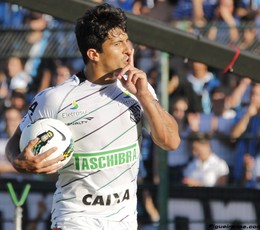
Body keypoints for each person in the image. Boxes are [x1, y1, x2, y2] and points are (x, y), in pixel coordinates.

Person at [5, 3, 180, 230]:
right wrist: (18, 162)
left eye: (127, 41)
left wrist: (145, 96)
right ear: (93, 54)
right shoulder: (55, 98)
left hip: (124, 220)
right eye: (118, 44)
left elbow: (171, 141)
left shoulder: (139, 89)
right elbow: (14, 143)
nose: (128, 49)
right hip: (75, 218)